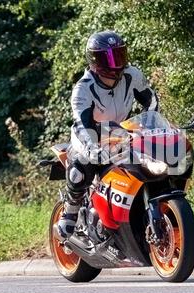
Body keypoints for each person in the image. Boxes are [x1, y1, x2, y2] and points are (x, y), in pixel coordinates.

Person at [57, 30, 159, 240]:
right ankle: (71, 209)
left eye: (120, 55)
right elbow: (83, 124)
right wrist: (93, 147)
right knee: (82, 165)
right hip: (91, 132)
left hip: (121, 130)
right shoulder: (83, 89)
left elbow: (151, 101)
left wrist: (152, 125)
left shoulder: (132, 75)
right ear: (95, 61)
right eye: (110, 58)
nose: (117, 63)